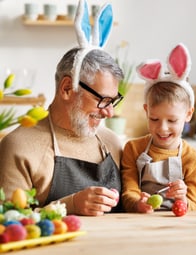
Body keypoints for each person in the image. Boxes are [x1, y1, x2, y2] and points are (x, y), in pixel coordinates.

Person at [0, 0, 124, 216]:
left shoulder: (112, 143)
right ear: (67, 88)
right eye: (102, 100)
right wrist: (70, 204)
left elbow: (138, 200)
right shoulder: (19, 147)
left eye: (112, 101)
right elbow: (9, 224)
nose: (109, 112)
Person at [121, 43, 196, 213]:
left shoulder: (193, 159)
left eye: (172, 120)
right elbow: (129, 192)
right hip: (139, 224)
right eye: (154, 119)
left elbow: (195, 206)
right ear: (146, 111)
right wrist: (137, 203)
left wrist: (183, 199)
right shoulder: (132, 149)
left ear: (188, 114)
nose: (162, 128)